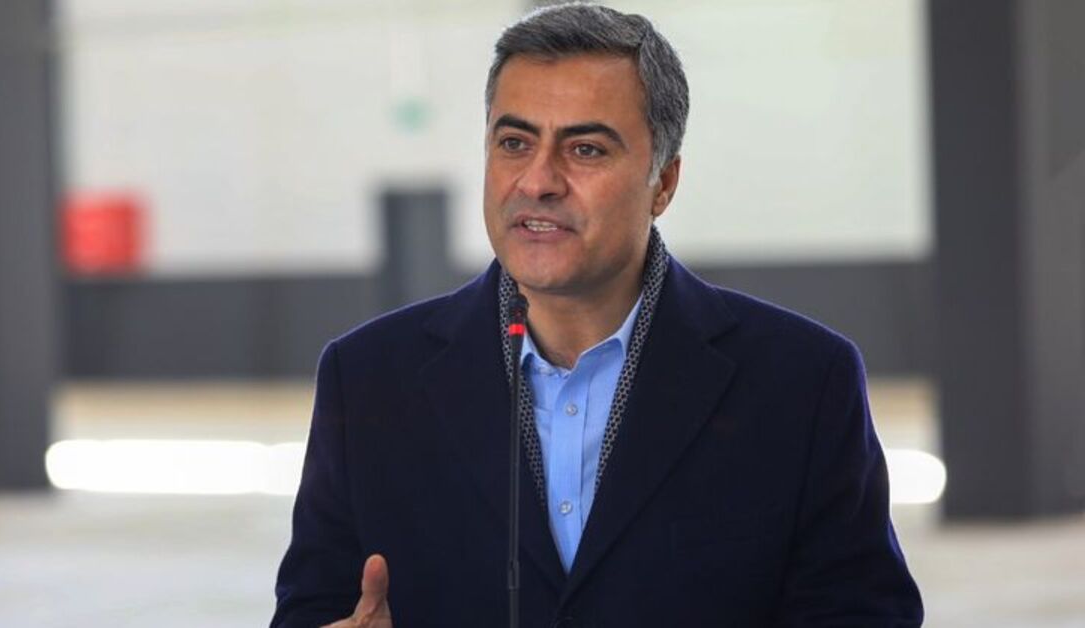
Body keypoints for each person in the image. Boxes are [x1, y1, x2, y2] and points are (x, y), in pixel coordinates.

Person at [270, 4, 923, 627]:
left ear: (663, 183)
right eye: (514, 142)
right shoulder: (368, 378)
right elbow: (312, 607)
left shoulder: (802, 382)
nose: (538, 181)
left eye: (585, 150)